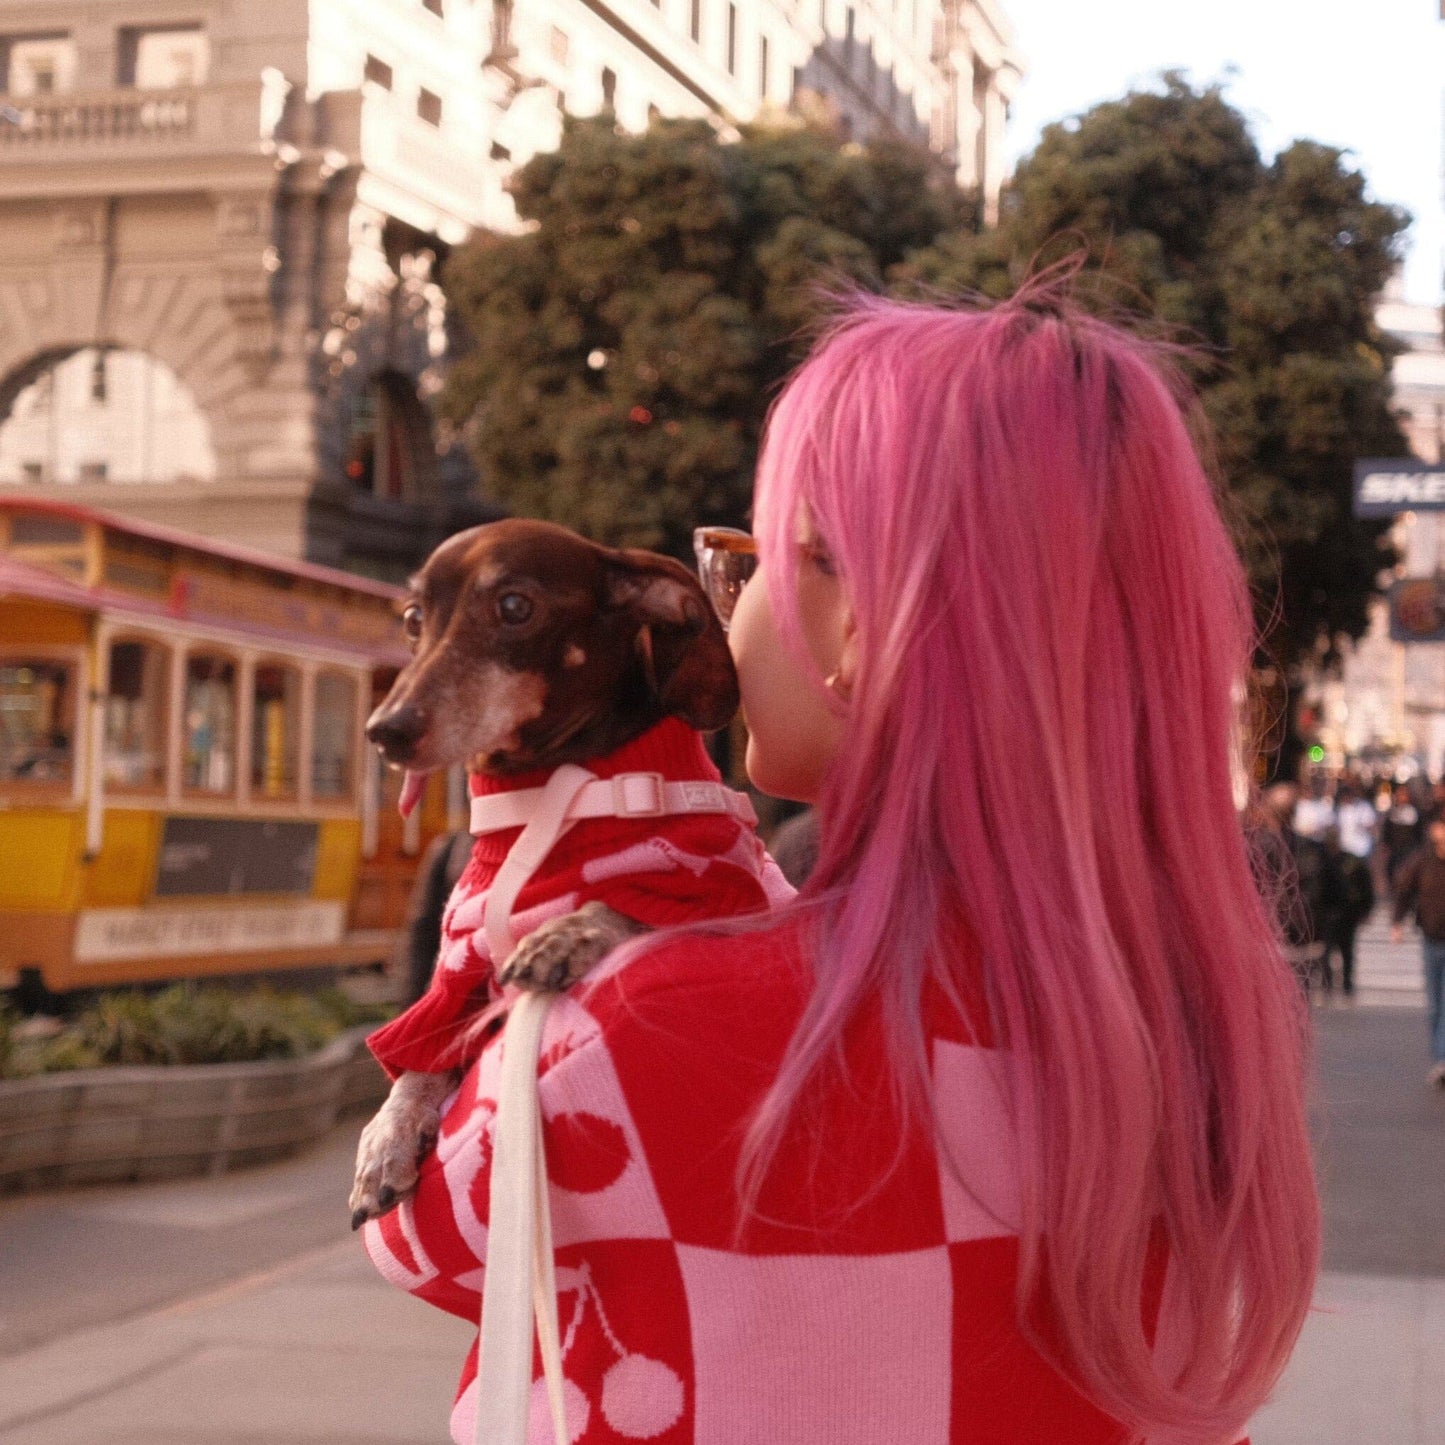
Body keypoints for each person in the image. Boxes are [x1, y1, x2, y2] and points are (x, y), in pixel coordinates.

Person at [362, 290, 1319, 1443]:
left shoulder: (638, 1033)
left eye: (753, 558)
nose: (730, 607)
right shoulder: (1187, 1031)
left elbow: (417, 1231)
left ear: (867, 618)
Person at [1389, 817, 1445, 1087]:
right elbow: (1404, 888)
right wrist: (1397, 922)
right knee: (1435, 1004)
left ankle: (1443, 1058)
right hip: (1431, 937)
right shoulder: (1423, 860)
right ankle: (1439, 1057)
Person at [1317, 826, 1374, 996]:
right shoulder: (1322, 861)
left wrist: (1365, 910)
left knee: (1347, 950)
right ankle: (1327, 983)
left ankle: (1347, 984)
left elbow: (1365, 886)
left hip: (1348, 913)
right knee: (1327, 951)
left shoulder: (1352, 861)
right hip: (1328, 913)